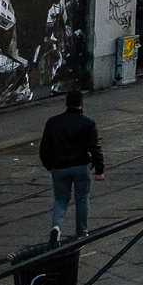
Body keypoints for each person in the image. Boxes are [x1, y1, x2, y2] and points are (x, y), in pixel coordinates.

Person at [39, 89, 105, 239]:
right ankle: (82, 232)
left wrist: (49, 165)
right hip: (81, 165)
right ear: (82, 103)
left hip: (59, 166)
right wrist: (99, 169)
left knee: (60, 199)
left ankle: (56, 226)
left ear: (66, 103)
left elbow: (44, 148)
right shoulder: (88, 123)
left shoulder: (53, 122)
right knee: (82, 198)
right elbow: (94, 147)